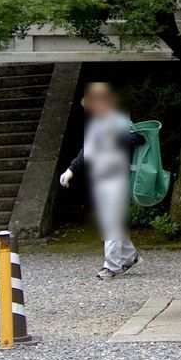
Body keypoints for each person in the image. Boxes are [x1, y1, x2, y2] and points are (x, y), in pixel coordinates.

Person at [59, 82, 146, 280]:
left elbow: (138, 138)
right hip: (99, 179)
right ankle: (130, 256)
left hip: (116, 177)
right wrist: (71, 169)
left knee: (111, 222)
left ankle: (111, 266)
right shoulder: (95, 125)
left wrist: (113, 139)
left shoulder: (119, 120)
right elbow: (85, 151)